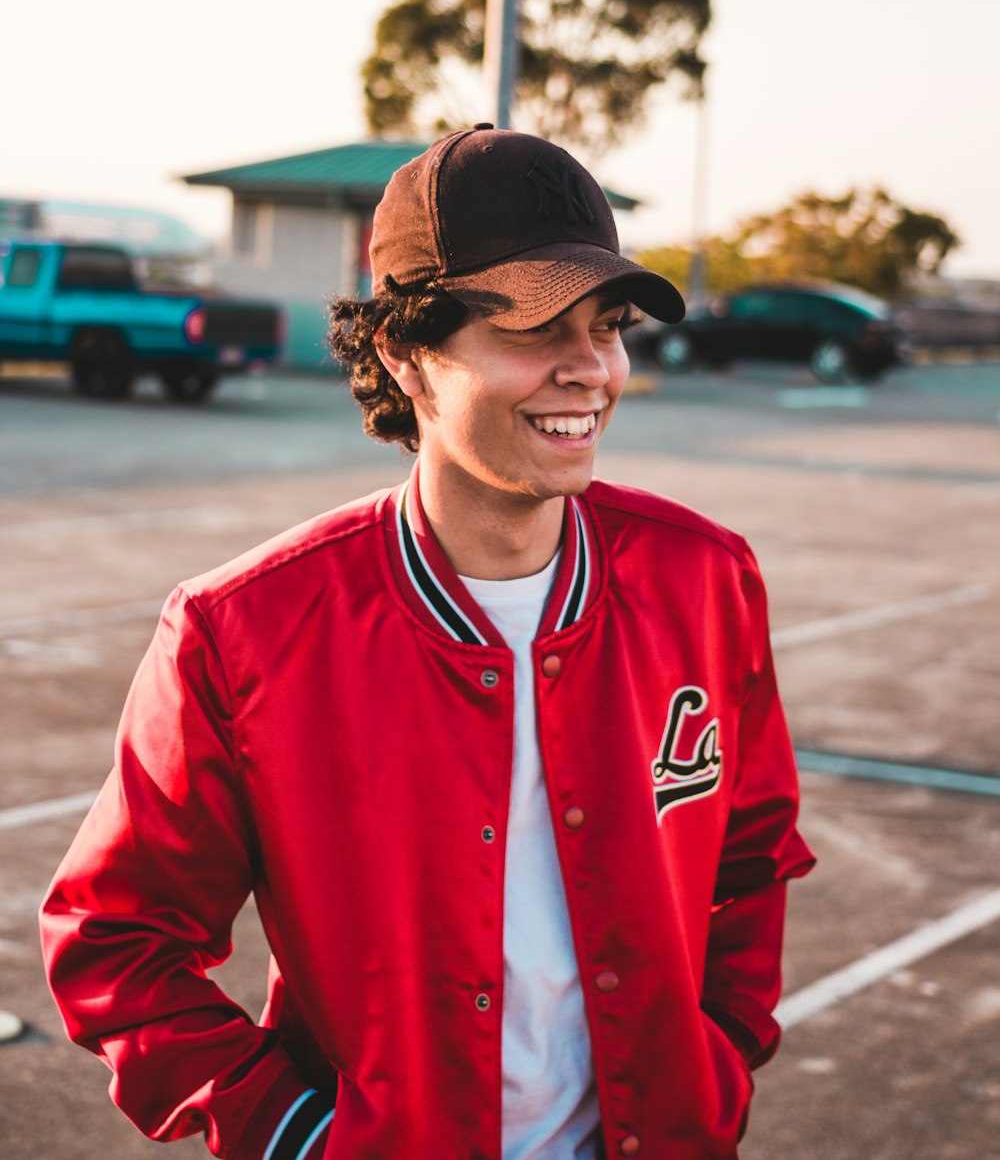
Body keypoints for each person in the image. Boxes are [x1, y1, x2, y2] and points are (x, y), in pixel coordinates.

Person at [41, 126, 814, 1160]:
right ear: (406, 350)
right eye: (538, 329)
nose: (590, 370)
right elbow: (115, 943)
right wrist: (297, 1136)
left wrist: (715, 1054)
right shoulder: (243, 633)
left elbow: (749, 860)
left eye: (610, 325)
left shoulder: (704, 581)